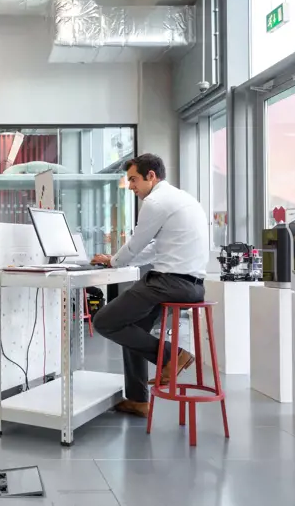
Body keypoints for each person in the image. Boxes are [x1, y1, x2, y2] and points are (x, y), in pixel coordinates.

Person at [91, 153, 209, 418]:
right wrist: (115, 259)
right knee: (133, 328)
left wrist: (113, 262)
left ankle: (172, 355)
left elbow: (135, 244)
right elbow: (154, 247)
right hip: (193, 285)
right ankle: (138, 399)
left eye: (133, 179)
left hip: (169, 282)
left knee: (104, 321)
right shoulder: (181, 198)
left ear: (151, 176)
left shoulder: (155, 202)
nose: (131, 186)